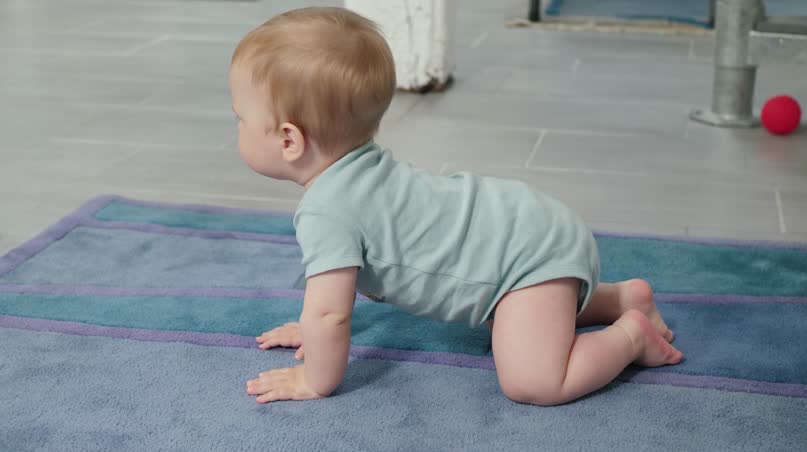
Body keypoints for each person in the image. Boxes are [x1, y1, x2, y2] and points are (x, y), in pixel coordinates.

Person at [231, 6, 683, 406]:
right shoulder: (359, 172)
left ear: (289, 139)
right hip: (530, 230)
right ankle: (625, 297)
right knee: (518, 319)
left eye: (240, 119)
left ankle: (629, 337)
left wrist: (315, 378)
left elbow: (331, 312)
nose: (237, 127)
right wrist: (313, 328)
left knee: (533, 380)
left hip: (528, 255)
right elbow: (332, 298)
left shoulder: (326, 210)